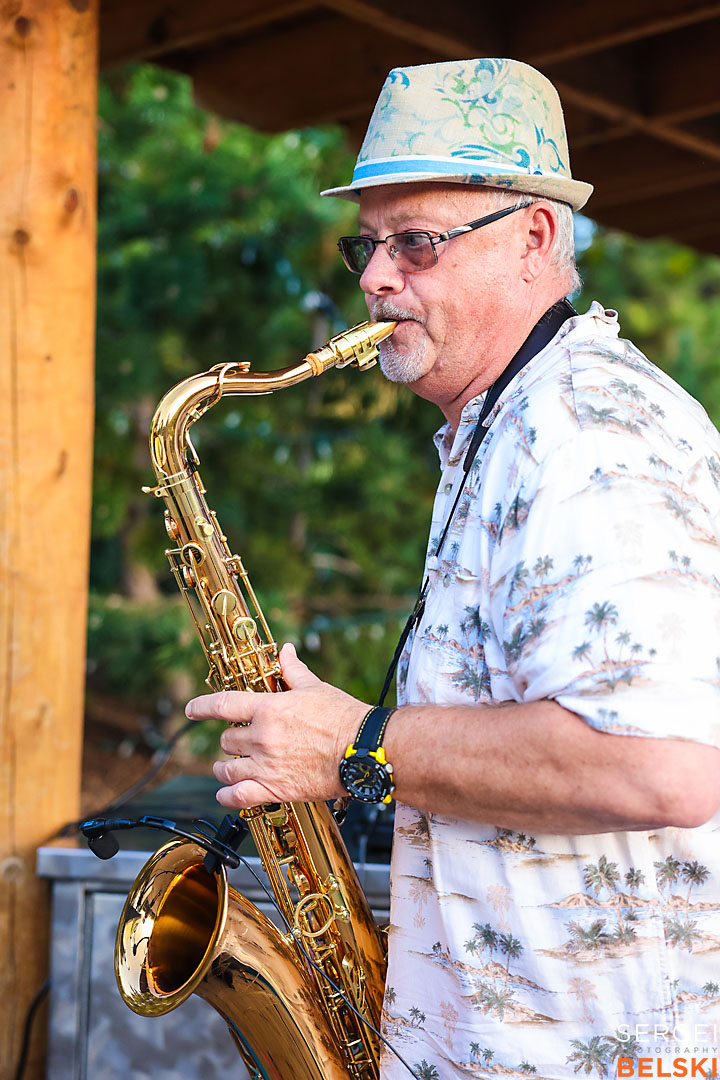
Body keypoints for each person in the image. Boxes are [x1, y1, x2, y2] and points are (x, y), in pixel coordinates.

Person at [186, 58, 720, 1079]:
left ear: (536, 239)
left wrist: (359, 743)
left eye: (418, 242)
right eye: (368, 245)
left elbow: (664, 767)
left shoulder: (590, 435)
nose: (378, 279)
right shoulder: (504, 429)